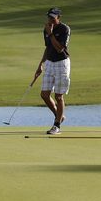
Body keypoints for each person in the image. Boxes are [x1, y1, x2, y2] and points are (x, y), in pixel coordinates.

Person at [35, 7, 71, 135]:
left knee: (58, 96)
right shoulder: (46, 29)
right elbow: (48, 48)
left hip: (62, 63)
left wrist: (50, 33)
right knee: (44, 94)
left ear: (58, 17)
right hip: (50, 63)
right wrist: (41, 65)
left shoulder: (64, 29)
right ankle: (59, 116)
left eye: (52, 17)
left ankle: (56, 125)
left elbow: (60, 49)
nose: (50, 19)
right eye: (49, 17)